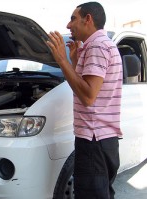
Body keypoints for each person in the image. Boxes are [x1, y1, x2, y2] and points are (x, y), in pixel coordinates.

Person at [46, 2, 122, 199]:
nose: (68, 25)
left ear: (88, 19)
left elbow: (88, 96)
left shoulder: (97, 46)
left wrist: (62, 60)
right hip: (102, 140)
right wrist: (76, 61)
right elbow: (93, 88)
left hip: (93, 140)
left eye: (73, 18)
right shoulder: (101, 45)